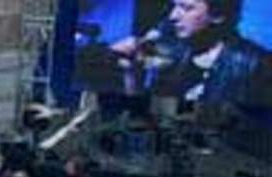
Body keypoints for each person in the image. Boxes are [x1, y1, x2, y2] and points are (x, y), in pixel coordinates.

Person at [111, 0, 272, 105]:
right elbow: (146, 119)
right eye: (174, 6)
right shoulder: (171, 53)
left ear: (218, 15)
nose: (173, 16)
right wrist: (131, 73)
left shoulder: (257, 63)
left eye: (186, 8)